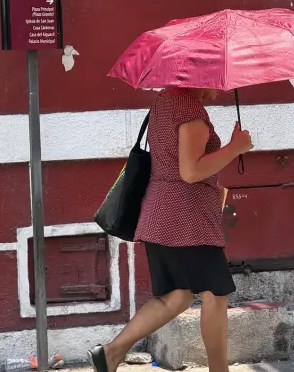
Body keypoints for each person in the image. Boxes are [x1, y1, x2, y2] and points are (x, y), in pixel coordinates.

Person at [87, 87, 253, 372]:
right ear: (200, 76)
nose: (221, 88)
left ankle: (112, 352)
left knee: (176, 296)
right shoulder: (189, 109)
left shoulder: (163, 101)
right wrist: (234, 148)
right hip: (187, 220)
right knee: (216, 293)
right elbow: (191, 172)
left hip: (159, 215)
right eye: (216, 80)